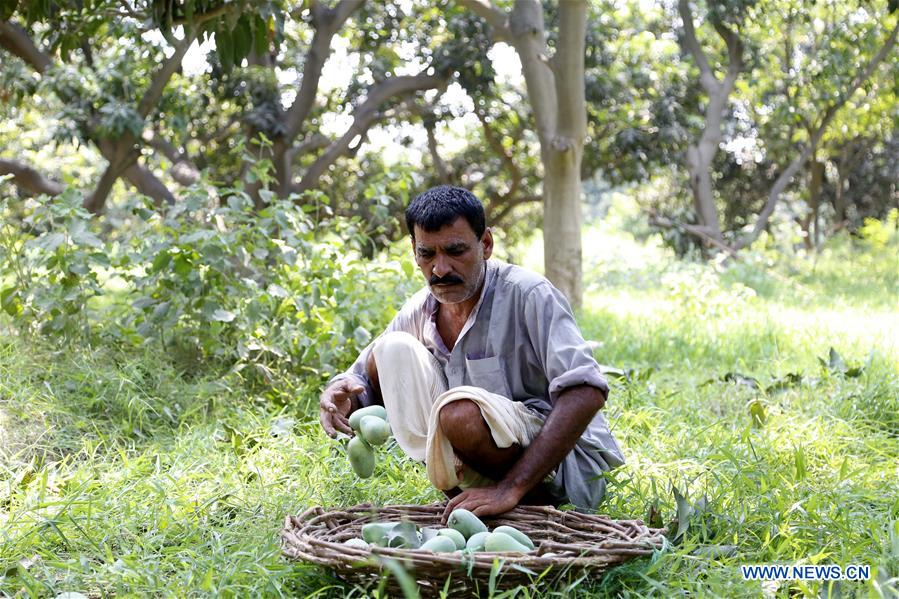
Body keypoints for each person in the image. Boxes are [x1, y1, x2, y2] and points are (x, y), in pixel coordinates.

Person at [319, 185, 624, 519]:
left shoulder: (528, 294)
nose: (440, 269)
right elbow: (365, 377)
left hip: (563, 468)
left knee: (457, 414)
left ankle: (528, 505)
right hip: (480, 465)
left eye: (455, 251)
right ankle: (468, 503)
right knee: (390, 350)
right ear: (414, 251)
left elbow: (586, 391)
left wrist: (512, 487)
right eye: (427, 254)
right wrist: (344, 397)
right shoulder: (421, 310)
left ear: (486, 245)